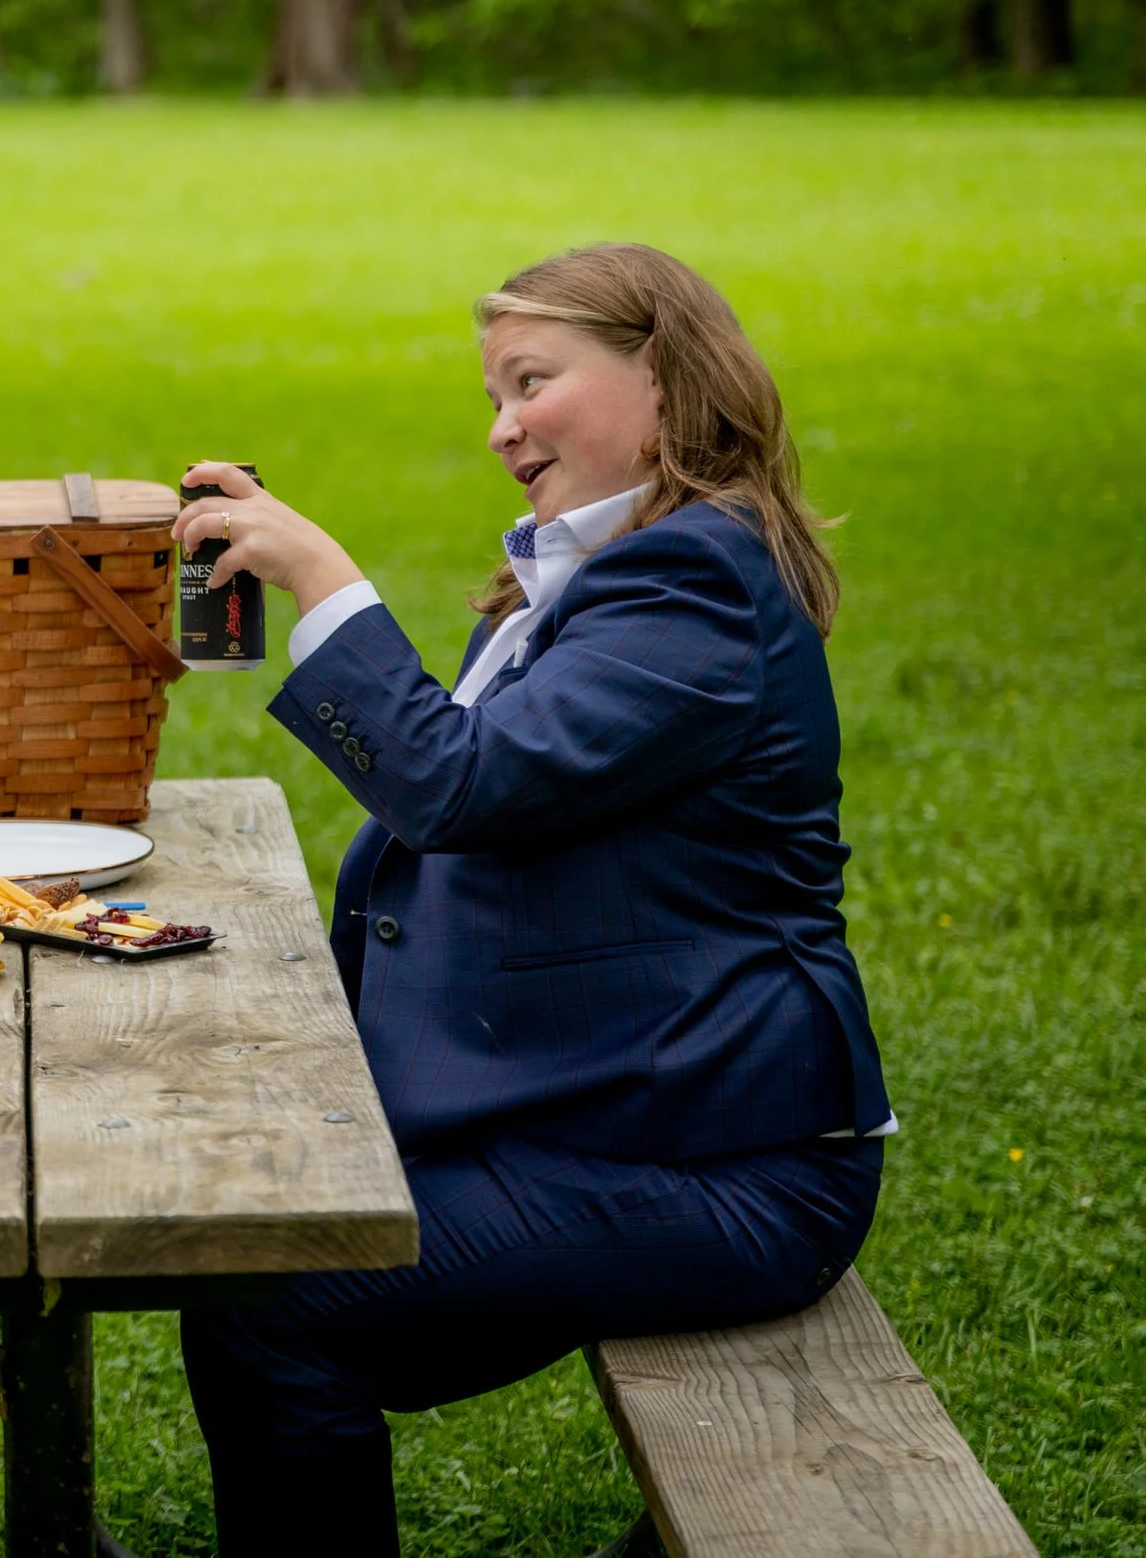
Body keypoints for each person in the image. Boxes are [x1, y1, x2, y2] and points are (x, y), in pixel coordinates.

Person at [170, 243, 893, 1555]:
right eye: (493, 396)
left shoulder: (694, 587)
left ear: (663, 377)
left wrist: (325, 581)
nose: (504, 428)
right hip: (610, 1112)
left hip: (719, 1165)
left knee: (273, 1309)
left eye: (532, 382)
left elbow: (462, 790)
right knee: (250, 1253)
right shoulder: (613, 575)